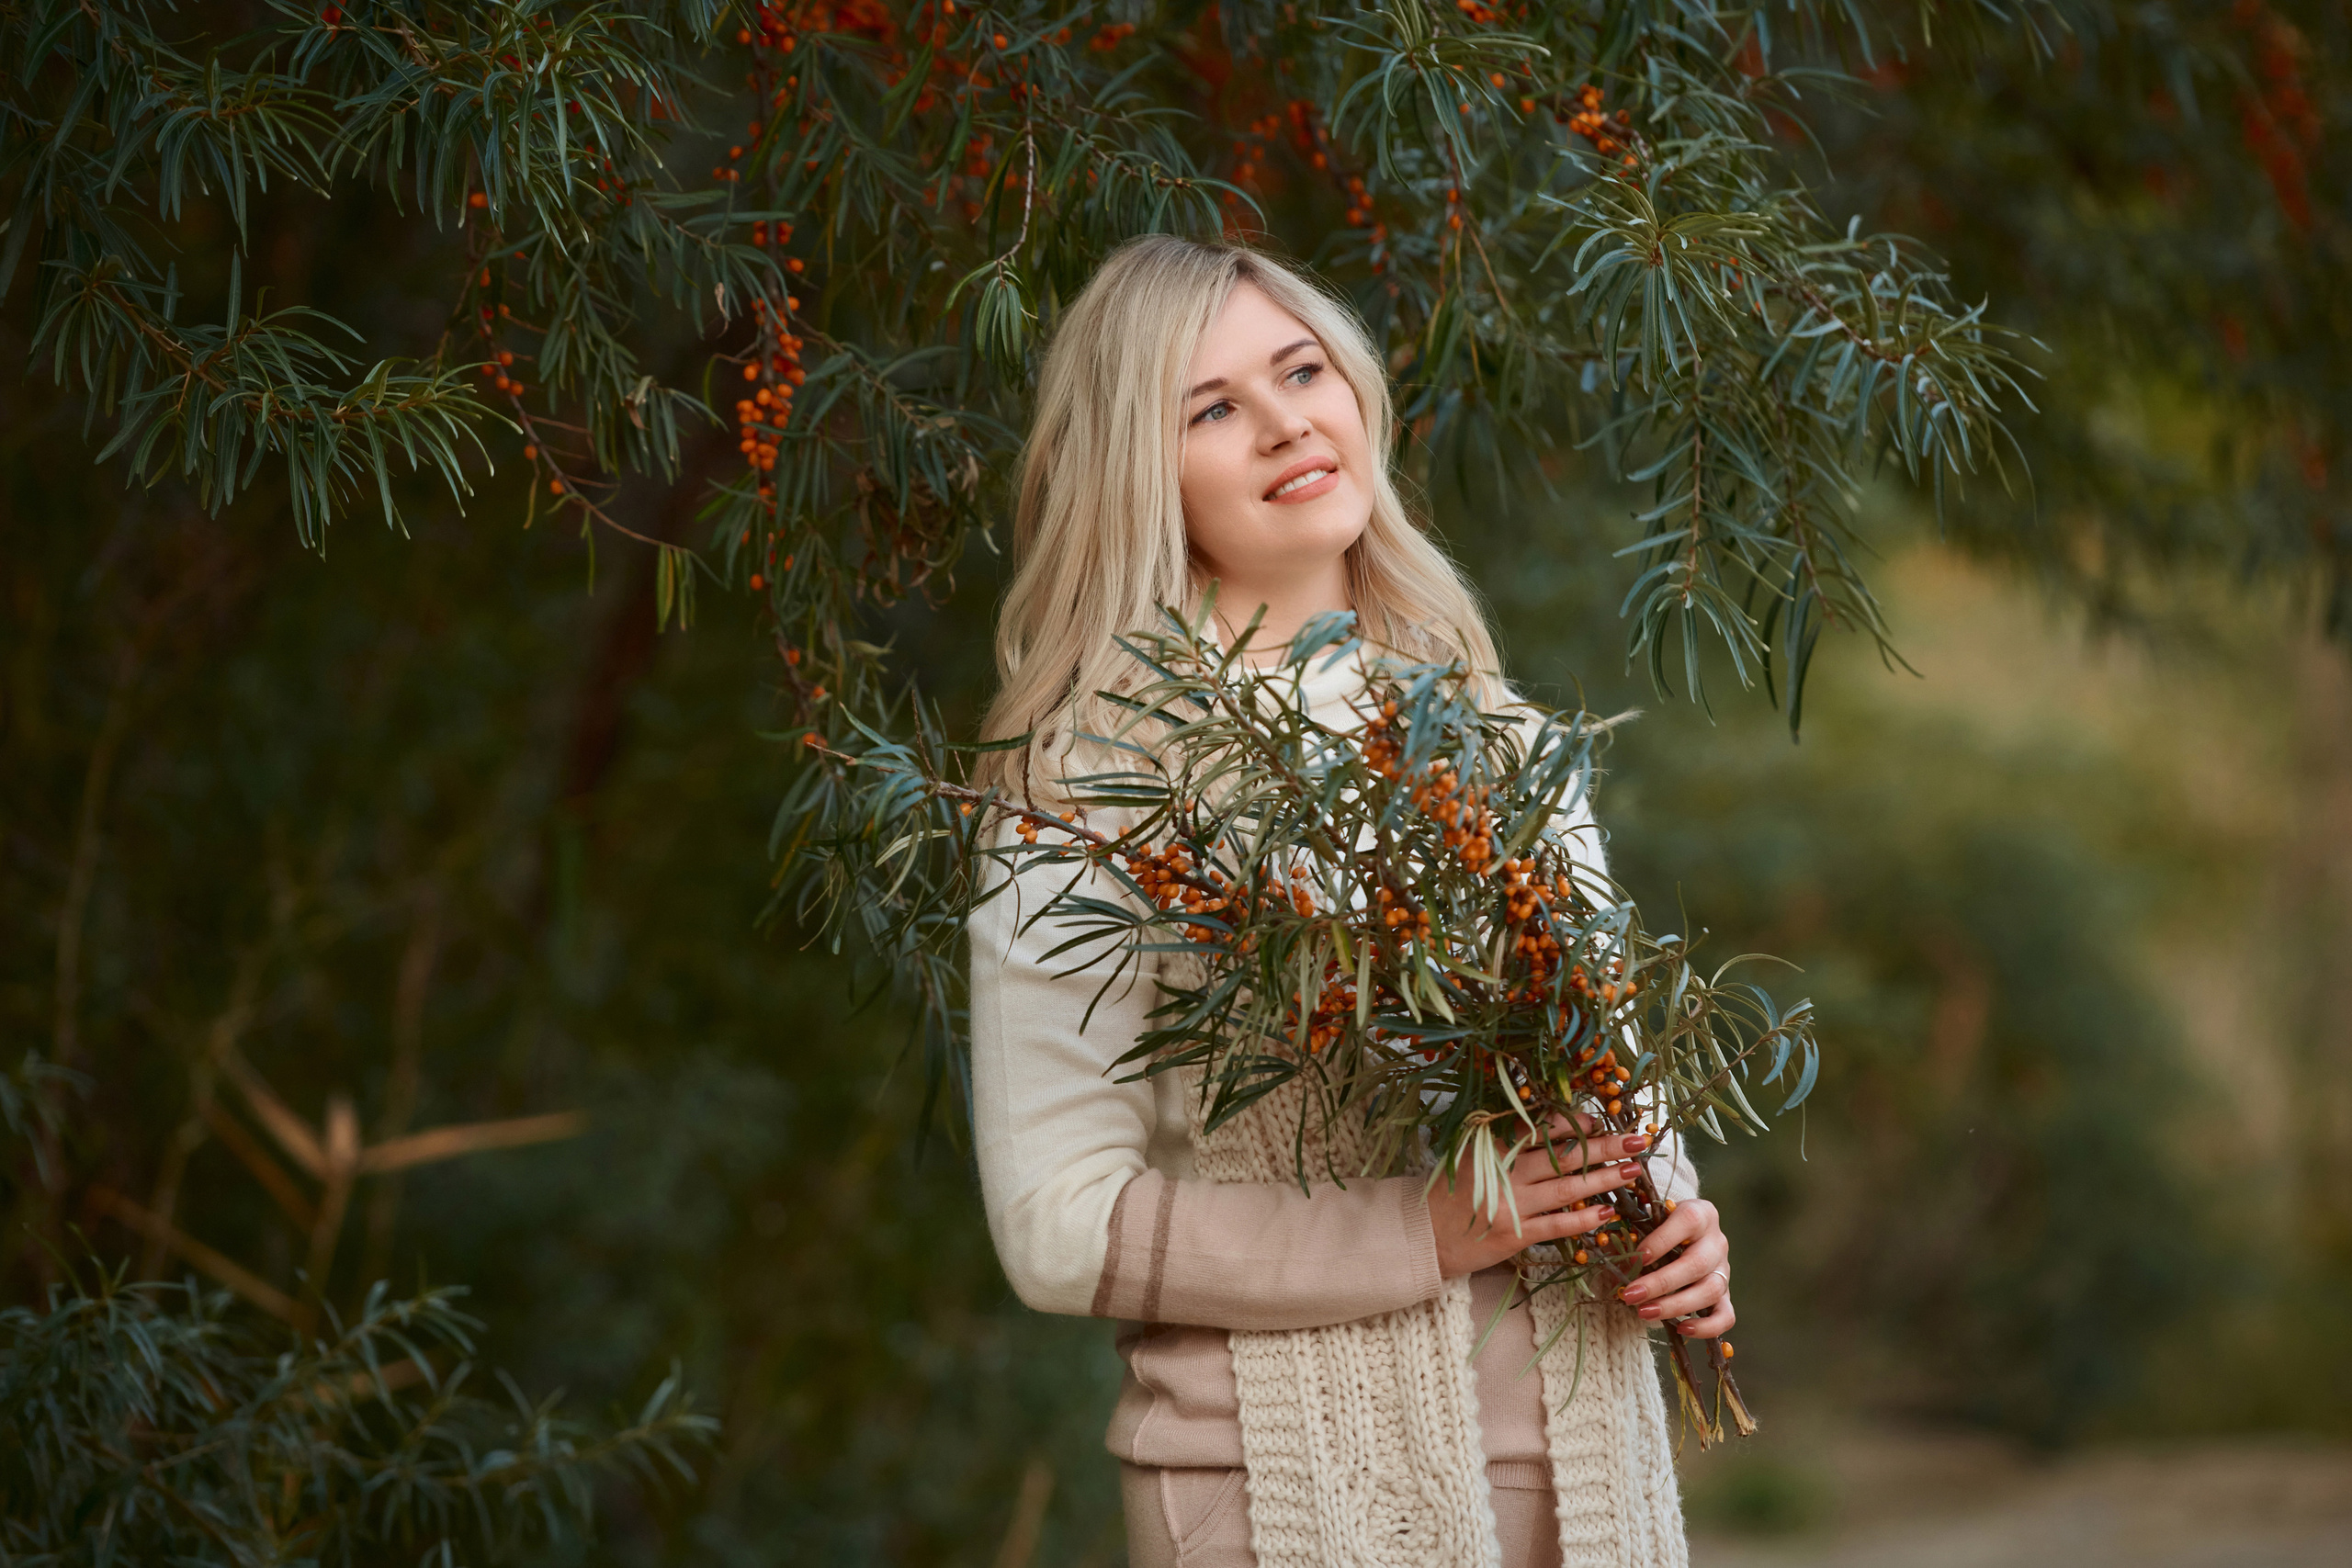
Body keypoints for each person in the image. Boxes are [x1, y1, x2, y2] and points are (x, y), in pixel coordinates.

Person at [967, 235, 1735, 1568]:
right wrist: (1426, 1231)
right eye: (1210, 408)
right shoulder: (1084, 788)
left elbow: (1611, 1080)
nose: (1285, 424)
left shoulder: (1498, 737)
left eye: (1301, 370)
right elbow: (1056, 1225)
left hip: (1593, 1468)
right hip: (1280, 1491)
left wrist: (1671, 1215)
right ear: (1141, 471)